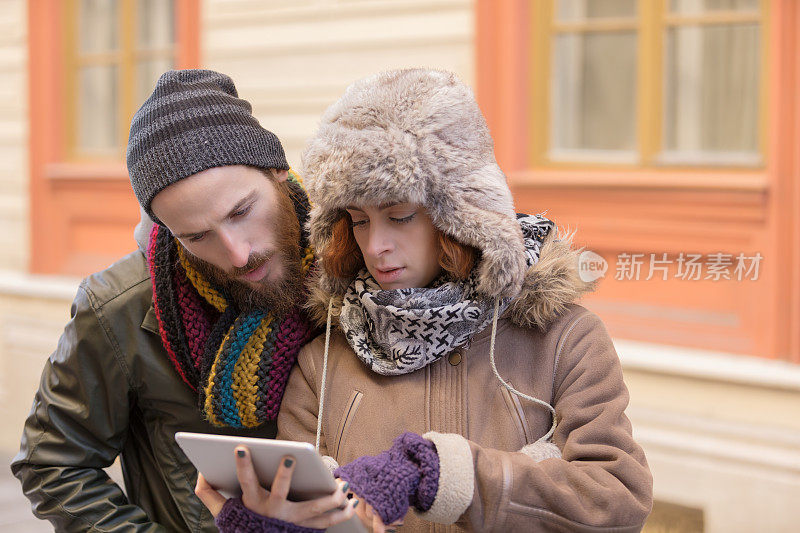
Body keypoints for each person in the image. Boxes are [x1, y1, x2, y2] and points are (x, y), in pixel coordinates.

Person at [200, 68, 654, 532]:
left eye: (399, 216)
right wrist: (274, 524)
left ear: (460, 214)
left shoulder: (564, 338)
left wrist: (444, 473)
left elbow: (616, 500)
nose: (375, 246)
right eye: (358, 221)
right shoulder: (323, 359)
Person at [11, 69, 354, 532]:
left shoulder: (364, 260)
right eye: (196, 236)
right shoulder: (120, 310)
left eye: (241, 211)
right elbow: (53, 464)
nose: (237, 254)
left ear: (276, 170)